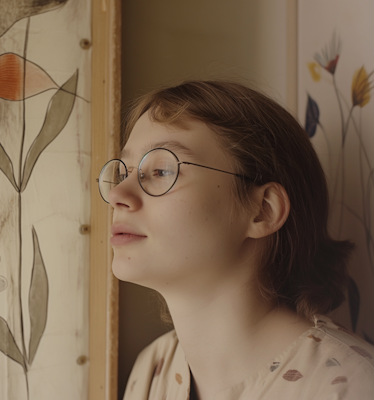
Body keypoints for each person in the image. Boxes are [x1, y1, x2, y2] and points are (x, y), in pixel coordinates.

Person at [97, 81, 374, 400]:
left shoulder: (353, 387)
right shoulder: (152, 369)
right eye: (124, 172)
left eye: (161, 171)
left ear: (263, 210)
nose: (118, 195)